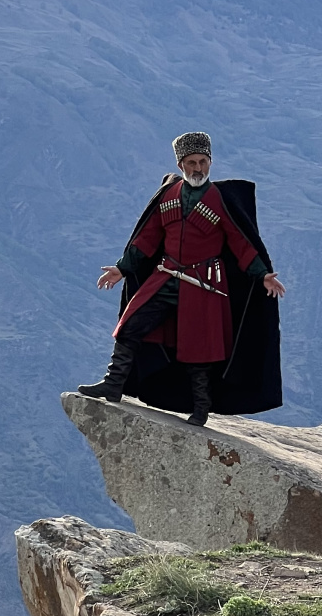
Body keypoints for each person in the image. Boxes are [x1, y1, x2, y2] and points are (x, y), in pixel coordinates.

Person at [78, 132, 286, 425]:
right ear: (180, 165)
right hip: (165, 277)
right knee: (130, 326)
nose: (198, 168)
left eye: (203, 162)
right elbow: (147, 238)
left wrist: (261, 274)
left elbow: (241, 243)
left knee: (198, 351)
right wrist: (121, 268)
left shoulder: (219, 200)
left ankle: (201, 409)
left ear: (210, 163)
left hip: (204, 285)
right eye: (192, 162)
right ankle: (113, 385)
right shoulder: (168, 196)